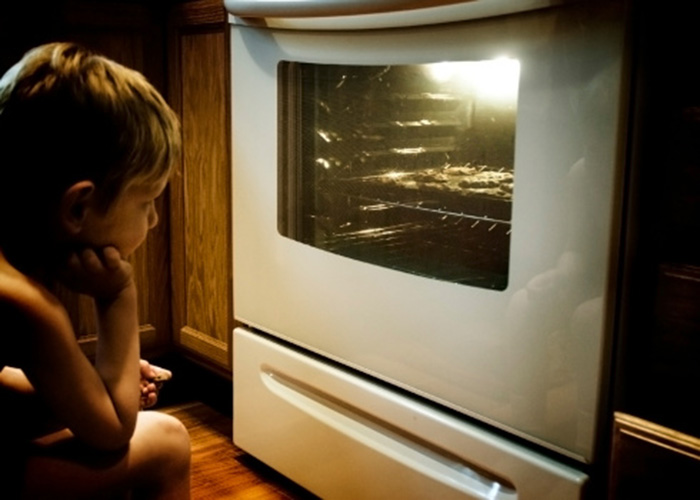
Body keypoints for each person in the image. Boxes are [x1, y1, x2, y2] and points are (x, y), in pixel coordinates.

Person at [0, 42, 191, 499]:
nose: (154, 220)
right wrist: (118, 298)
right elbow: (112, 432)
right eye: (146, 202)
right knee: (166, 442)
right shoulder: (24, 303)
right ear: (79, 206)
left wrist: (85, 383)